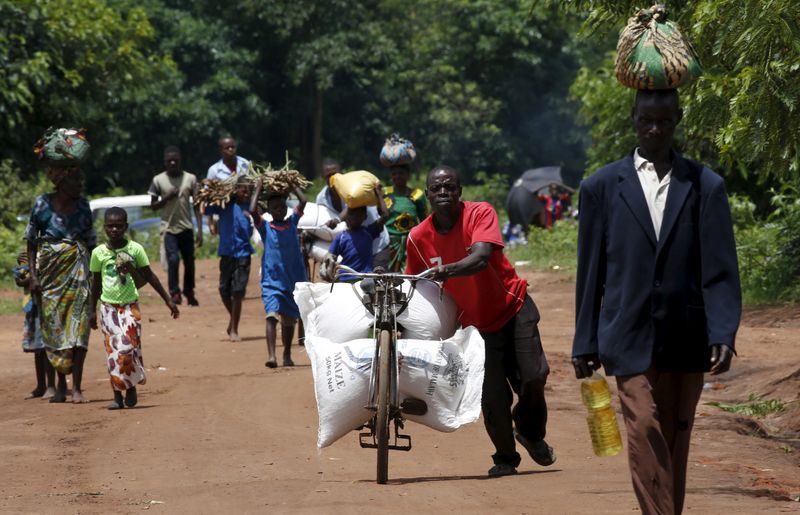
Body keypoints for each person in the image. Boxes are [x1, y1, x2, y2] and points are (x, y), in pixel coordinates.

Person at [572, 88, 741, 514]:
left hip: (686, 334)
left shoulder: (705, 185)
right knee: (643, 425)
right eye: (647, 120)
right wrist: (584, 341)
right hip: (626, 332)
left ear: (678, 119)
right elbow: (591, 271)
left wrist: (723, 331)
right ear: (633, 118)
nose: (654, 129)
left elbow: (720, 268)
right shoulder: (602, 186)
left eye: (664, 121)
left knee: (674, 434)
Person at [405, 165, 555, 477]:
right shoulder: (418, 238)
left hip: (512, 307)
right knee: (492, 396)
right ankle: (505, 458)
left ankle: (529, 432)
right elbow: (416, 287)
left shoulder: (480, 214)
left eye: (450, 187)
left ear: (460, 192)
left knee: (533, 377)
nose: (444, 193)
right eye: (437, 188)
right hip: (474, 328)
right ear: (428, 194)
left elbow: (481, 256)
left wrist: (447, 270)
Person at [26, 127, 96, 404]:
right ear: (63, 181)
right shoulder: (42, 205)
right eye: (76, 181)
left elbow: (91, 244)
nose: (80, 186)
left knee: (79, 330)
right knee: (53, 328)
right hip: (50, 276)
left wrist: (96, 278)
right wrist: (33, 275)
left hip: (78, 273)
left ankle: (77, 386)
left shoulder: (84, 207)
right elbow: (31, 243)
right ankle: (60, 385)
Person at [88, 207, 179, 409]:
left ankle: (130, 387)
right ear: (104, 228)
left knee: (129, 347)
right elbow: (95, 284)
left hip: (130, 306)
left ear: (125, 227)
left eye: (118, 226)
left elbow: (149, 277)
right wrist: (91, 311)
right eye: (110, 226)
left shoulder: (135, 249)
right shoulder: (98, 253)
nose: (114, 230)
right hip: (108, 308)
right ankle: (117, 396)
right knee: (112, 351)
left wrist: (168, 299)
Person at [250, 179, 308, 368]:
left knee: (289, 320)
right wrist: (258, 189)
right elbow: (252, 211)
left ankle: (287, 353)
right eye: (275, 208)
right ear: (268, 211)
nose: (279, 210)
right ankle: (272, 356)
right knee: (271, 315)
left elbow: (303, 201)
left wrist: (292, 186)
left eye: (282, 207)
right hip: (272, 282)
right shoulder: (265, 227)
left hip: (292, 281)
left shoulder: (292, 222)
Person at [148, 146, 203, 306]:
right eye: (169, 160)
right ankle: (174, 292)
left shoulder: (190, 179)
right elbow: (153, 206)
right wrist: (167, 197)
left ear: (180, 160)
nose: (172, 162)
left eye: (175, 160)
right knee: (173, 259)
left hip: (186, 227)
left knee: (189, 261)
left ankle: (189, 290)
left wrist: (199, 229)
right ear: (164, 162)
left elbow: (197, 205)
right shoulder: (158, 180)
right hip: (169, 228)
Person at [204, 175, 256, 341]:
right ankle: (233, 319)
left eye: (249, 191)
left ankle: (234, 329)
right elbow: (205, 209)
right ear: (236, 189)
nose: (246, 193)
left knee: (238, 292)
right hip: (226, 253)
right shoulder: (225, 205)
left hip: (244, 254)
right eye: (243, 190)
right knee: (223, 290)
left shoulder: (251, 207)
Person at [316, 158, 391, 269]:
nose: (333, 178)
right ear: (323, 177)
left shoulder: (352, 190)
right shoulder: (321, 198)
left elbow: (350, 207)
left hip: (377, 245)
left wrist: (337, 220)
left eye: (335, 174)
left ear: (342, 174)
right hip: (354, 249)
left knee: (376, 281)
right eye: (328, 176)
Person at [323, 185, 389, 281]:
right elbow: (330, 258)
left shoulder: (369, 232)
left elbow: (385, 215)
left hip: (366, 279)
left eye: (359, 214)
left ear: (365, 217)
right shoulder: (340, 237)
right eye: (352, 213)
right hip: (344, 279)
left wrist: (379, 194)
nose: (355, 217)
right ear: (346, 216)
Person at [13, 251, 55, 399]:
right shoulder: (28, 257)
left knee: (47, 348)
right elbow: (19, 281)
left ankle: (51, 386)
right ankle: (41, 386)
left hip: (48, 307)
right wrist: (24, 267)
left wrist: (35, 273)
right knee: (38, 350)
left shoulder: (49, 255)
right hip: (33, 310)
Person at [382, 164, 428, 271]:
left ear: (408, 175)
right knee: (386, 277)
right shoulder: (384, 192)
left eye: (401, 173)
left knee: (409, 276)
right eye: (394, 174)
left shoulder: (417, 195)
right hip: (387, 243)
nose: (398, 176)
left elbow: (425, 222)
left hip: (410, 243)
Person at [206, 136, 251, 236]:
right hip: (225, 211)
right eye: (227, 148)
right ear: (221, 150)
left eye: (233, 147)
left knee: (244, 241)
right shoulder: (214, 170)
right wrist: (210, 220)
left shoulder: (245, 164)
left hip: (244, 209)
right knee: (228, 242)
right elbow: (207, 197)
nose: (230, 149)